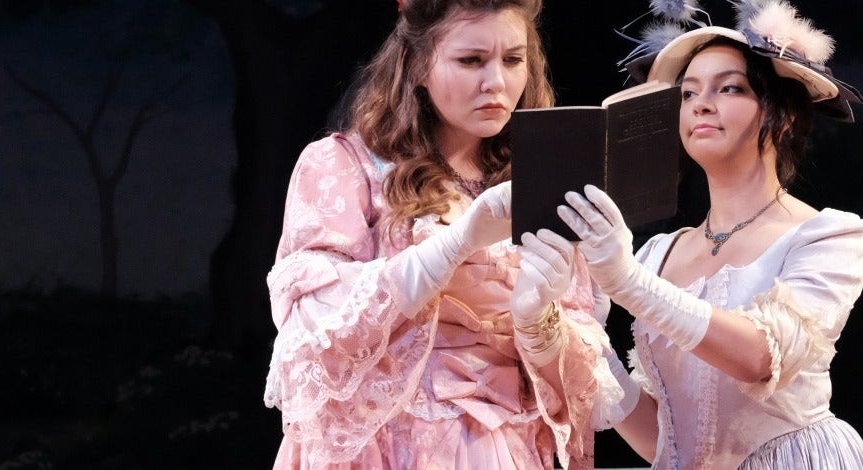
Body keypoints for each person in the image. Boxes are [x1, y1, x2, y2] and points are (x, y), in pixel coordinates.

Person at [262, 0, 616, 468]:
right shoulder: (345, 166)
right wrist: (453, 246)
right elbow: (311, 326)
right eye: (471, 60)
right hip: (386, 446)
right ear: (417, 65)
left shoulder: (543, 182)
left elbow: (583, 383)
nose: (496, 82)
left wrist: (538, 322)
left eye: (513, 60)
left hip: (506, 448)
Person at [556, 3, 863, 468]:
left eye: (730, 87)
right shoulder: (656, 255)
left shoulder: (827, 237)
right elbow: (666, 441)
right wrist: (573, 333)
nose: (701, 103)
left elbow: (760, 357)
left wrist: (627, 283)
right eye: (688, 94)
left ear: (782, 114)